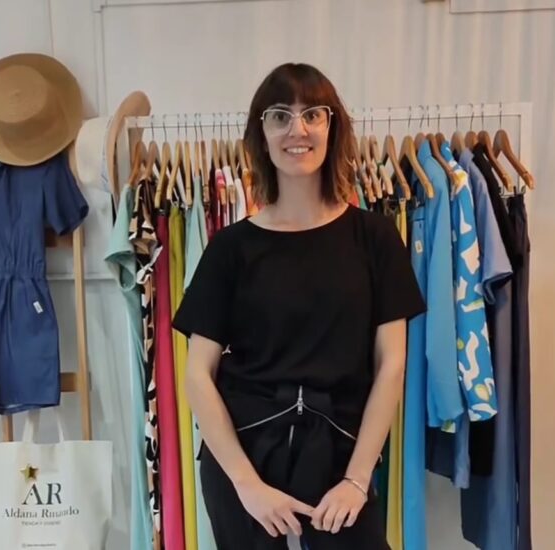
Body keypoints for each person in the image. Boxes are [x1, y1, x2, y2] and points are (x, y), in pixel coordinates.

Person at [173, 62, 426, 550]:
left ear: (332, 127)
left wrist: (357, 480)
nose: (298, 129)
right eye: (279, 116)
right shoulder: (230, 248)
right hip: (244, 454)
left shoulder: (374, 238)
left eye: (312, 114)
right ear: (262, 134)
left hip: (339, 454)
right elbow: (197, 375)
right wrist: (247, 485)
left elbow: (391, 366)